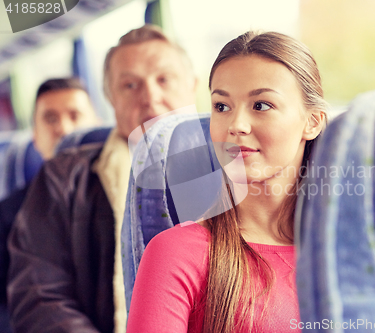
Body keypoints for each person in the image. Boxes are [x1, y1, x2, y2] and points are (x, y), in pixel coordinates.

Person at [126, 31, 327, 332]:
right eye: (222, 107)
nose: (236, 125)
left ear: (312, 122)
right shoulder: (176, 254)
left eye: (261, 105)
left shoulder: (350, 252)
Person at [7, 24, 197, 333]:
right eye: (130, 85)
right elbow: (40, 294)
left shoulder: (239, 171)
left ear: (193, 85)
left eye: (164, 79)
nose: (150, 96)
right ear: (109, 97)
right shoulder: (64, 177)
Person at [0, 77, 98, 333]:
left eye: (75, 115)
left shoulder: (126, 191)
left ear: (97, 124)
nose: (64, 128)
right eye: (50, 119)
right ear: (35, 135)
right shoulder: (8, 213)